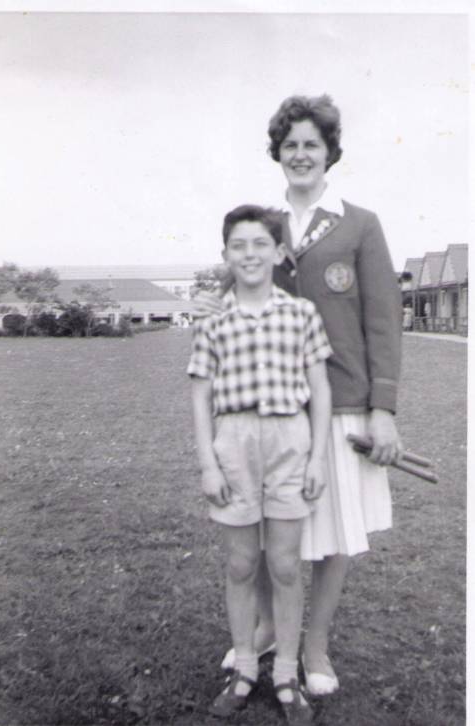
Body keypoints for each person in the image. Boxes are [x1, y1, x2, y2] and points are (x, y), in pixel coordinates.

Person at [193, 94, 403, 696]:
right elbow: (234, 290)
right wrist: (211, 300)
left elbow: (385, 321)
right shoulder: (264, 225)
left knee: (332, 533)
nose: (301, 154)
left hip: (342, 404)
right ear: (277, 154)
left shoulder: (361, 224)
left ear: (330, 153)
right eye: (290, 145)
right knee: (263, 532)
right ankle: (261, 630)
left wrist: (383, 409)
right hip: (272, 410)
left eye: (312, 144)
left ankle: (314, 647)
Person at [188, 204, 333, 722]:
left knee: (286, 565)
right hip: (234, 442)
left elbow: (319, 389)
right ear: (226, 254)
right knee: (242, 563)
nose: (249, 254)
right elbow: (200, 395)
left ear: (278, 253)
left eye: (259, 245)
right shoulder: (212, 318)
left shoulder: (301, 314)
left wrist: (317, 457)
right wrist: (208, 463)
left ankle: (288, 674)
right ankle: (246, 666)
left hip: (290, 440)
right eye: (238, 246)